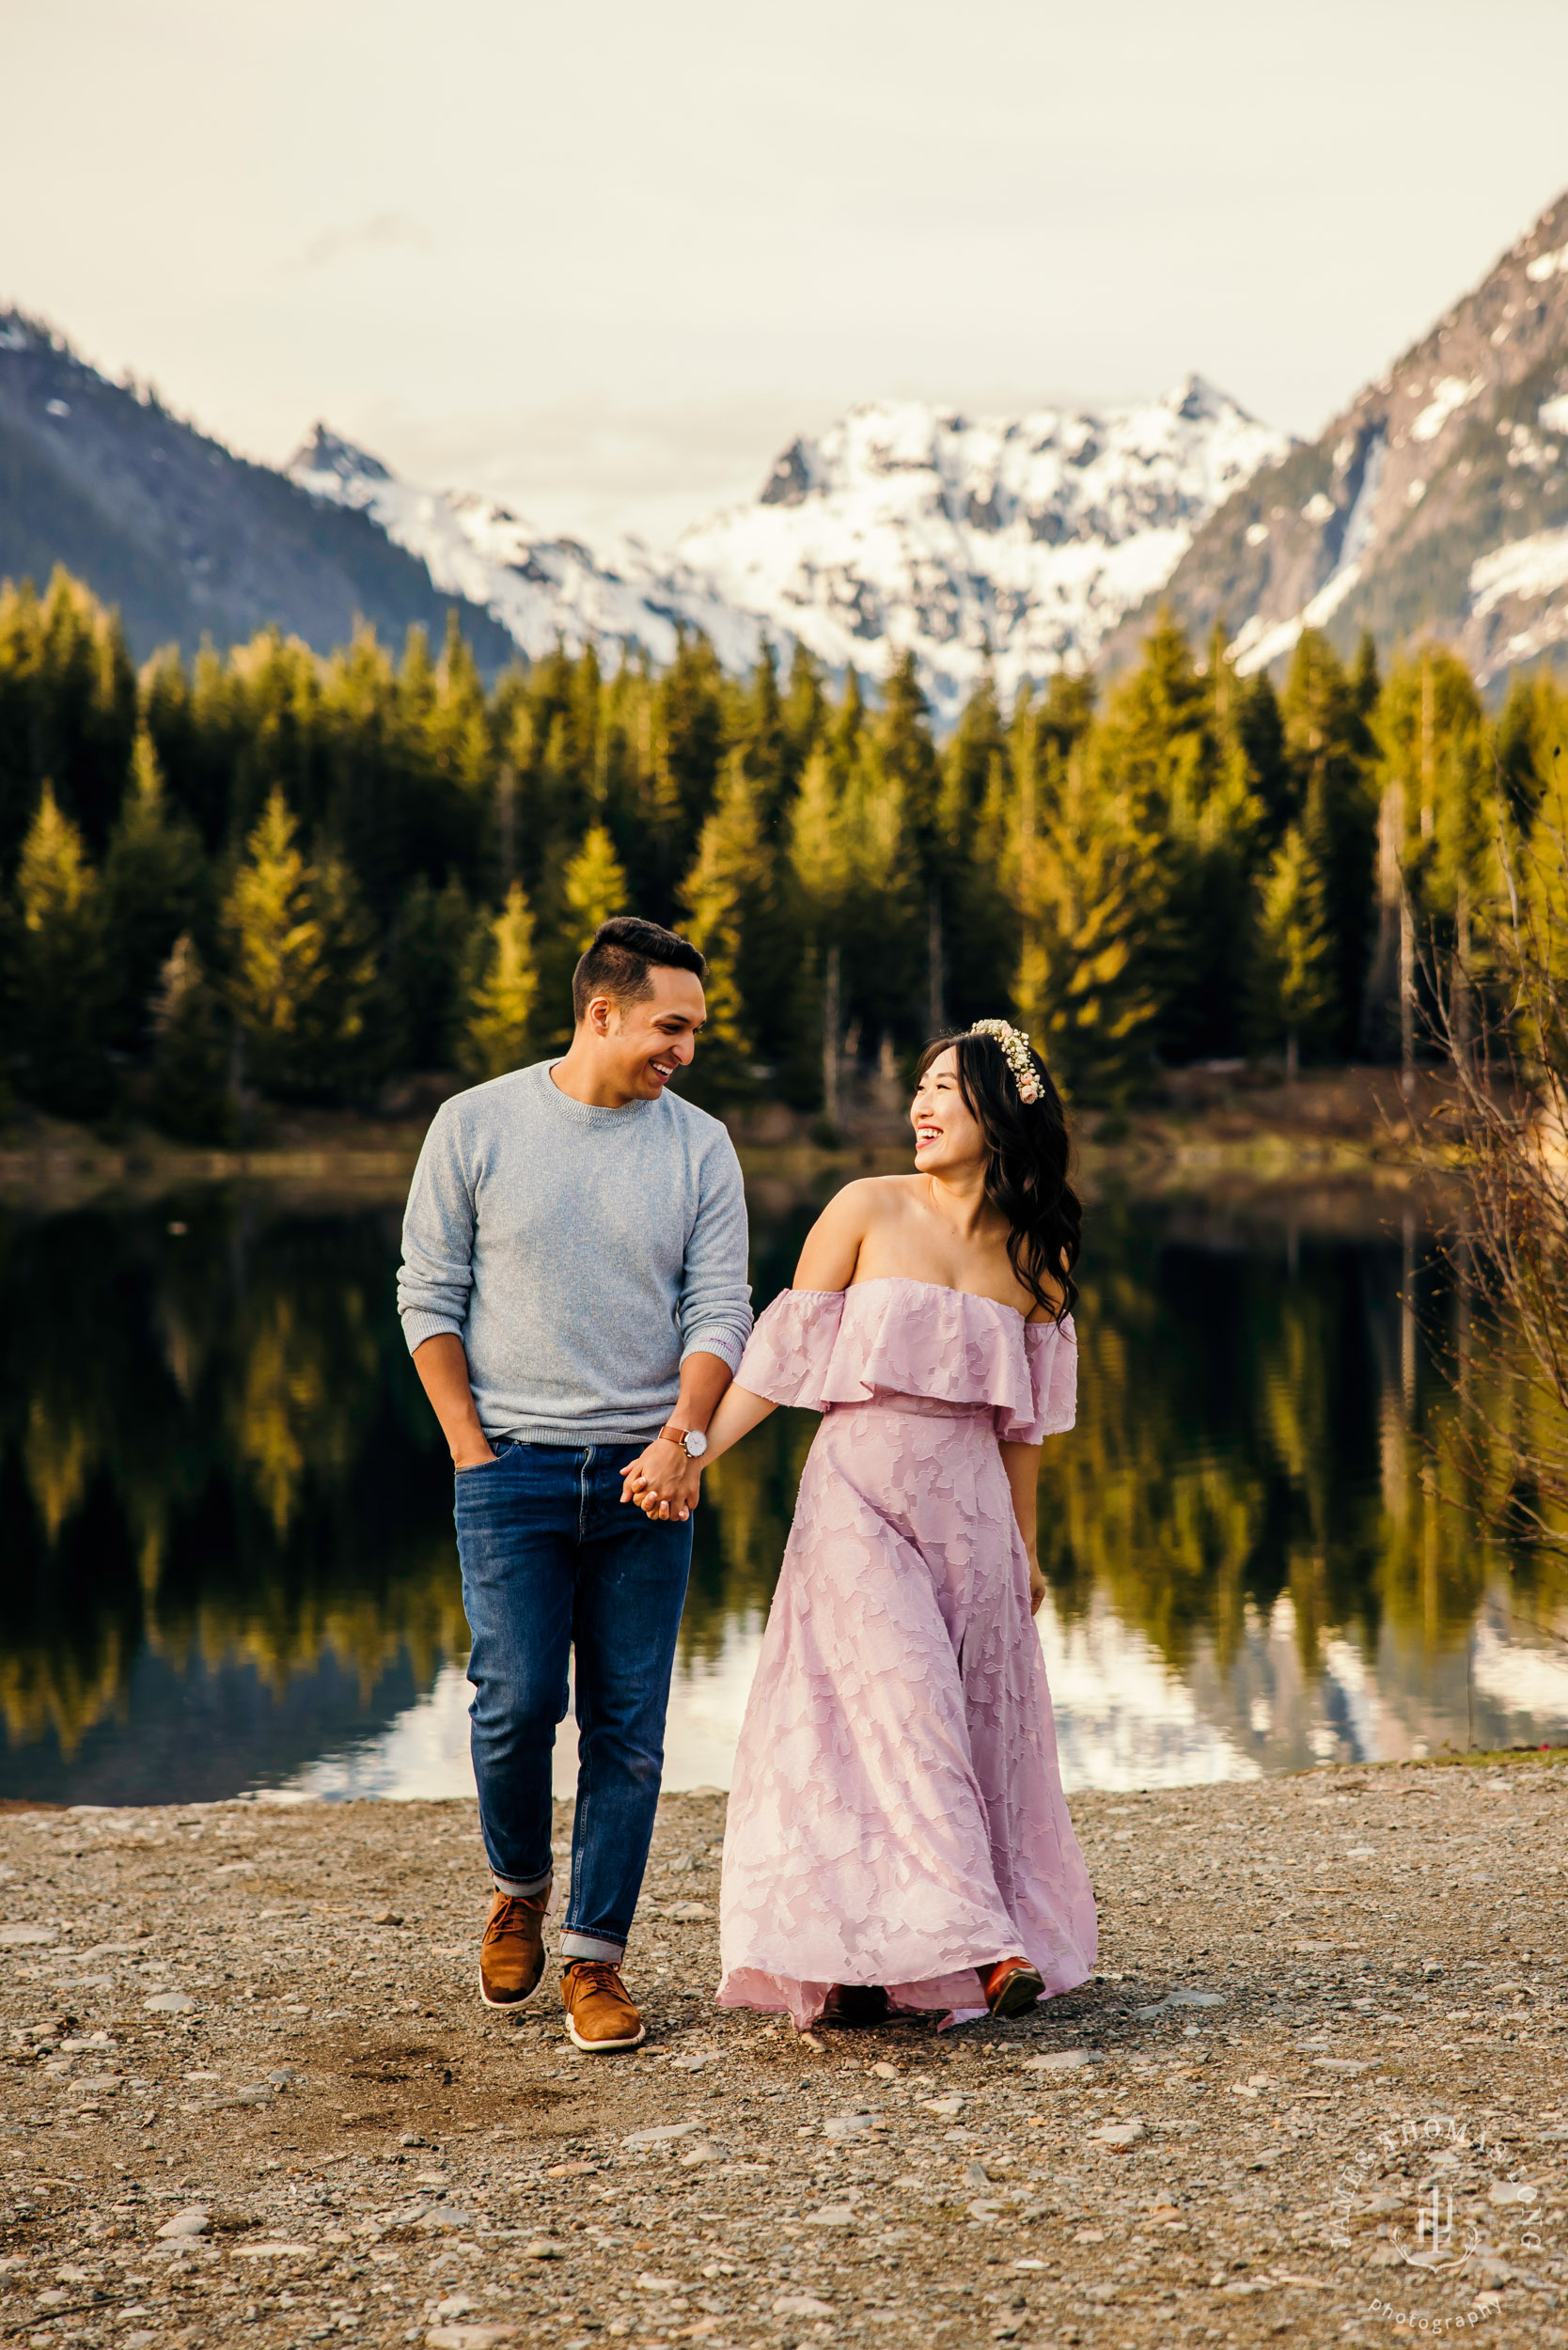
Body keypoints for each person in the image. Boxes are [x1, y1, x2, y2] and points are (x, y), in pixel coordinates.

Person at [626, 1019, 1096, 2029]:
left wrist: (1026, 1548)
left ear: (1004, 1114)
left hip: (968, 1514)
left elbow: (1026, 1432)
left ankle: (871, 1957)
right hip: (857, 1500)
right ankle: (988, 1944)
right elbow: (779, 1360)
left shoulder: (1036, 1257)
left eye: (947, 1092)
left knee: (945, 1727)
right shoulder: (866, 1209)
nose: (921, 1109)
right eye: (919, 1089)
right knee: (903, 1707)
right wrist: (690, 1449)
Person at [397, 916, 751, 2053]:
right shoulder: (477, 1124)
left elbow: (719, 1309)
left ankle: (597, 1959)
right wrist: (466, 1442)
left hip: (652, 1479)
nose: (686, 1049)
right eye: (671, 1025)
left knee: (630, 1729)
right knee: (512, 1703)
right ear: (601, 1012)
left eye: (695, 1028)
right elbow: (427, 1293)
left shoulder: (702, 1148)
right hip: (511, 1472)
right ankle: (516, 1890)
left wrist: (685, 1439)